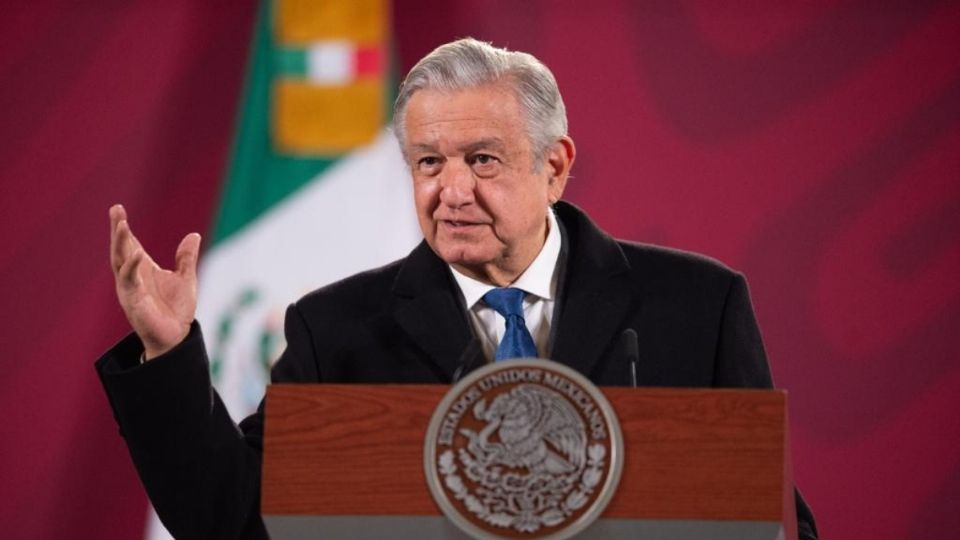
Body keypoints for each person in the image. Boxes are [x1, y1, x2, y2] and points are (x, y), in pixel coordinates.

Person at [98, 38, 817, 539]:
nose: (451, 191)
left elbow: (770, 517)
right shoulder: (340, 330)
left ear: (555, 166)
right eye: (427, 162)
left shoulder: (694, 307)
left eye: (482, 159)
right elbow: (237, 520)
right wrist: (168, 355)